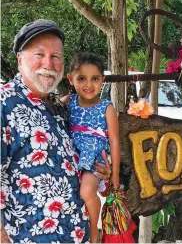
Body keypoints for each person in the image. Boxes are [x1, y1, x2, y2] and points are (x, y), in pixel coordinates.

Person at [0, 19, 111, 243]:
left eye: (56, 56)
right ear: (20, 58)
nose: (48, 63)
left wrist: (100, 175)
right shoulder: (5, 103)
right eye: (39, 54)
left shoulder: (59, 107)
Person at [61, 52, 120, 243]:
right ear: (70, 79)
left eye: (95, 78)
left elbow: (114, 141)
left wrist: (116, 174)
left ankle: (94, 231)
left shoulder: (106, 107)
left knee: (87, 191)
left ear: (102, 80)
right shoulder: (67, 102)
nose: (88, 84)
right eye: (81, 79)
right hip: (72, 158)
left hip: (93, 160)